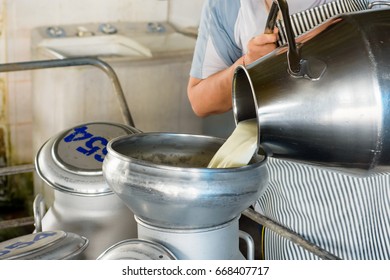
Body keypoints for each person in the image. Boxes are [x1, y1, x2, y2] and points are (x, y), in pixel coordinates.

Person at [188, 0, 390, 259]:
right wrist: (248, 63)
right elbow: (200, 100)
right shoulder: (226, 7)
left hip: (379, 176)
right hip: (296, 197)